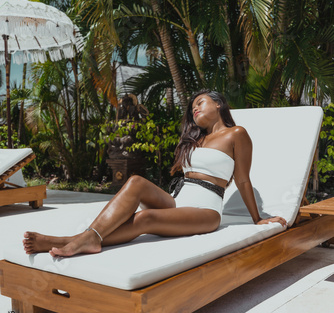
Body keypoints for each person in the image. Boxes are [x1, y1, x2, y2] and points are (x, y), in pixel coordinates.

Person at [23, 91, 287, 257]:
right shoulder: (197, 141)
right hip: (178, 200)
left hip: (205, 211)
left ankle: (76, 240)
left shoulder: (237, 134)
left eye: (200, 103)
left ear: (218, 104)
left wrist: (257, 218)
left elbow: (242, 179)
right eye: (192, 107)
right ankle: (88, 238)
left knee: (146, 217)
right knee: (136, 182)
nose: (194, 109)